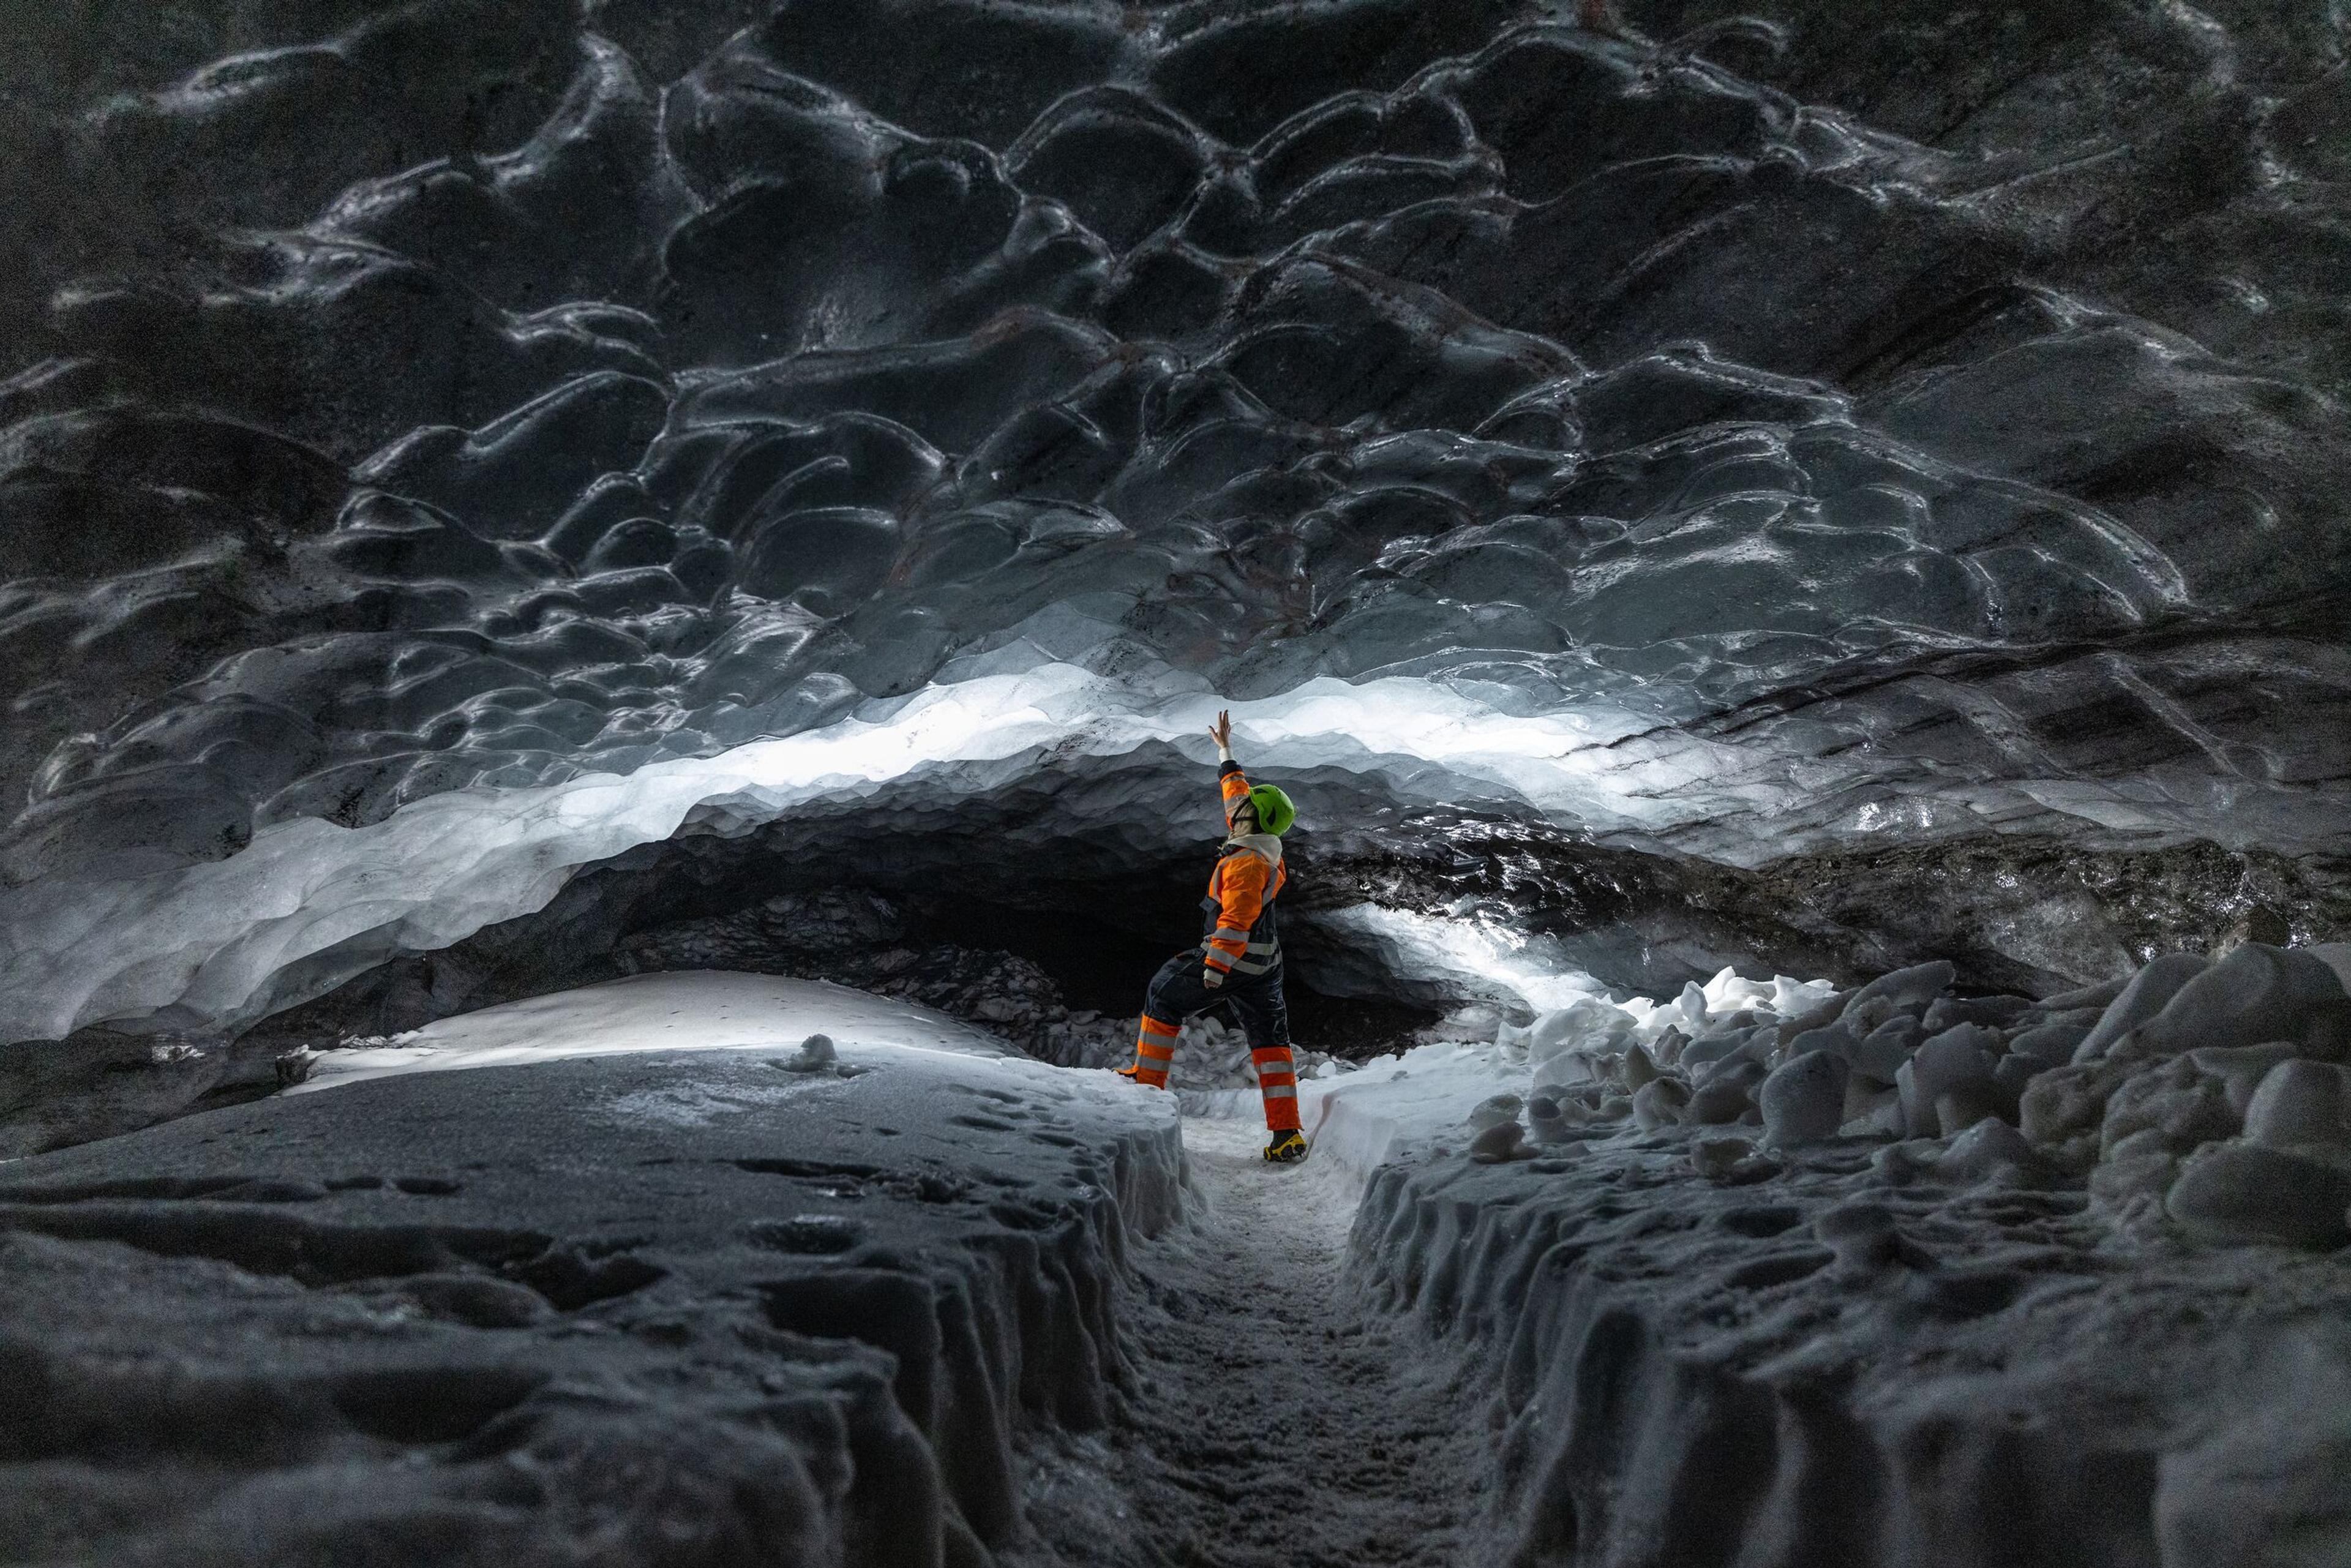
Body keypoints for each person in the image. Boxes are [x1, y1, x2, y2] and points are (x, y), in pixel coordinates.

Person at [1116, 710, 1308, 1163]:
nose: (1235, 810)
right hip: (1267, 967)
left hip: (1236, 958)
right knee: (1271, 1043)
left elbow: (1237, 920)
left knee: (1164, 991)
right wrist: (1226, 753)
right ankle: (1287, 1133)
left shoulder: (1245, 863)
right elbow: (1239, 798)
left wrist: (1215, 968)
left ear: (1252, 819)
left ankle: (1146, 1086)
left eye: (1243, 809)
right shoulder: (1262, 844)